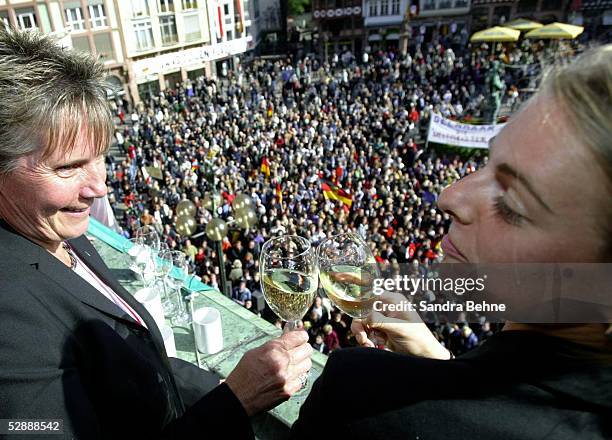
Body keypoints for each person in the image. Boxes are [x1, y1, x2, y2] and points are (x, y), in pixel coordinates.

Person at [0, 29, 312, 439]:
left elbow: (138, 362)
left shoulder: (58, 228)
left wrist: (216, 388)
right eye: (67, 168)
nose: (99, 188)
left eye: (100, 159)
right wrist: (236, 401)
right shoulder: (10, 320)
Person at [292, 46, 612, 439]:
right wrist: (439, 363)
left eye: (511, 203)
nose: (449, 196)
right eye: (486, 164)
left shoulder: (359, 392)